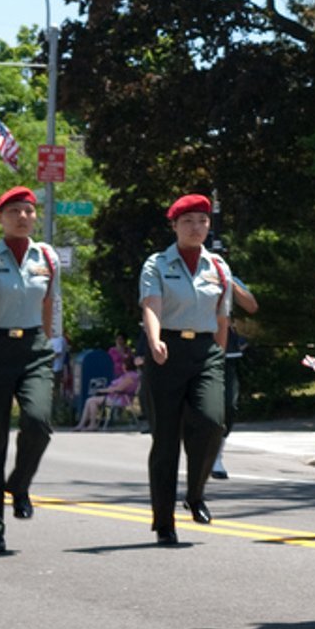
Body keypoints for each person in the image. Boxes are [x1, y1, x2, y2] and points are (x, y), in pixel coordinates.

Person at [0, 187, 62, 554]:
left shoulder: (47, 257)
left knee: (38, 422)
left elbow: (50, 301)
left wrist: (52, 341)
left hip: (33, 347)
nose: (23, 217)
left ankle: (19, 484)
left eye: (28, 211)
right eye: (14, 212)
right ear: (0, 218)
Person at [138, 194, 231, 546]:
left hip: (205, 350)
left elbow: (222, 317)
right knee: (165, 441)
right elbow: (151, 305)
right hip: (167, 350)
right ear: (174, 225)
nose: (196, 228)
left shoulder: (218, 267)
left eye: (202, 221)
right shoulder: (157, 264)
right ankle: (164, 520)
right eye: (188, 221)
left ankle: (195, 494)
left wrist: (219, 357)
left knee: (211, 423)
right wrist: (155, 338)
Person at [208, 240, 257, 480]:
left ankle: (216, 455)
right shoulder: (195, 277)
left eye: (222, 256)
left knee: (228, 405)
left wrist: (229, 283)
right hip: (199, 347)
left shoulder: (229, 278)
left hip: (227, 351)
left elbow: (251, 305)